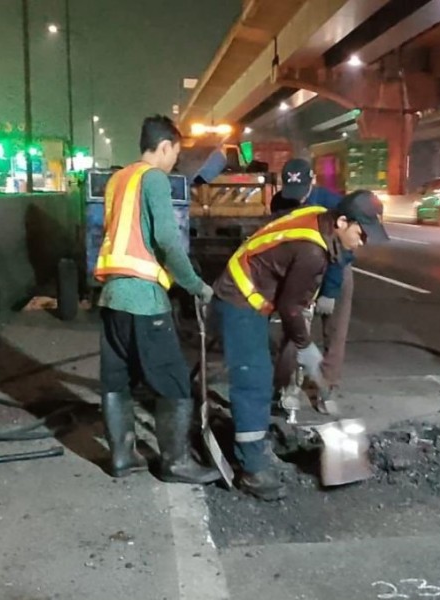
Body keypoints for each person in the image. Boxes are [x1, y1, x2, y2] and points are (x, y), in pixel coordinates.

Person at [211, 190, 389, 499]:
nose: (363, 242)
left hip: (250, 291)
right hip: (239, 297)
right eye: (362, 234)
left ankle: (255, 440)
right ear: (343, 222)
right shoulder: (311, 251)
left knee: (259, 374)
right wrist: (307, 349)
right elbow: (290, 307)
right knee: (253, 380)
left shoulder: (320, 217)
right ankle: (252, 469)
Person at [95, 115, 220, 483]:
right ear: (164, 146)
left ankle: (122, 457)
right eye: (175, 154)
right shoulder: (154, 179)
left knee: (117, 380)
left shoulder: (118, 179)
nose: (173, 163)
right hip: (143, 298)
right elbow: (167, 238)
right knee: (174, 381)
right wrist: (196, 285)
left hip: (112, 296)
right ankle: (176, 463)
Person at [269, 159, 354, 412]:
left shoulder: (332, 203)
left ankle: (326, 388)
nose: (297, 199)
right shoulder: (280, 202)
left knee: (334, 332)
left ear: (313, 181)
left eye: (302, 191)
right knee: (295, 328)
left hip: (334, 266)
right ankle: (288, 386)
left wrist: (330, 291)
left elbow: (343, 250)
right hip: (300, 268)